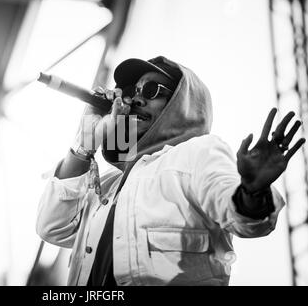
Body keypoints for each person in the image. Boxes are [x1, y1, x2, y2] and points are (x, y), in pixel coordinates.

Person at [36, 56, 305, 286]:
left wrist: (252, 191)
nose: (136, 99)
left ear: (183, 103)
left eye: (152, 90)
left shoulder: (198, 154)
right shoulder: (106, 185)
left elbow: (241, 218)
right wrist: (85, 141)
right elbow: (53, 227)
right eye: (133, 90)